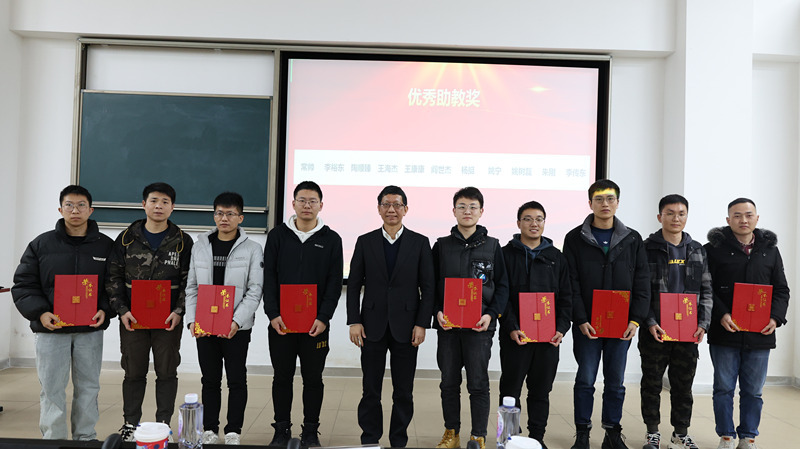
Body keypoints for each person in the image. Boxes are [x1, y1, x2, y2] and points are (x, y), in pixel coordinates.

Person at [11, 185, 114, 440]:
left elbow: (114, 284)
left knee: (89, 387)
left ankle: (86, 438)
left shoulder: (106, 246)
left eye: (81, 205)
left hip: (90, 330)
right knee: (51, 389)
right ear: (60, 209)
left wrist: (105, 309)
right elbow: (24, 284)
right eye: (69, 205)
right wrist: (40, 313)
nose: (75, 210)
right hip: (51, 329)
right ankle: (53, 440)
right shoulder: (41, 244)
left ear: (90, 210)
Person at [562, 179, 650, 449]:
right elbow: (570, 283)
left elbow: (642, 282)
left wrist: (635, 320)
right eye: (599, 199)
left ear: (617, 203)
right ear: (590, 203)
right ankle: (582, 433)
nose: (605, 204)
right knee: (585, 380)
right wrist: (580, 319)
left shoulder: (632, 239)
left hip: (621, 325)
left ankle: (612, 432)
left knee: (616, 382)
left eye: (610, 199)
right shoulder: (575, 238)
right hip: (588, 324)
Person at [346, 185, 435, 448]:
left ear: (406, 209)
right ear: (378, 209)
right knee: (370, 390)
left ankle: (398, 440)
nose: (391, 209)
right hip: (370, 325)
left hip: (407, 327)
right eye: (386, 204)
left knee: (403, 391)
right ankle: (370, 439)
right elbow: (353, 284)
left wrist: (422, 323)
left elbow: (428, 287)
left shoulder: (420, 243)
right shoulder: (365, 241)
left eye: (397, 204)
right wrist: (354, 320)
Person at [106, 182, 194, 441]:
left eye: (165, 202)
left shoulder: (182, 241)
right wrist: (122, 310)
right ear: (144, 204)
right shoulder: (126, 238)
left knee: (167, 372)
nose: (159, 206)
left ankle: (163, 423)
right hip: (133, 319)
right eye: (154, 201)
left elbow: (190, 281)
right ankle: (130, 424)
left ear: (172, 207)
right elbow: (113, 277)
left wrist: (179, 311)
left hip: (168, 320)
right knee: (134, 372)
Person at [704, 198, 790, 449]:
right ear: (728, 219)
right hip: (725, 331)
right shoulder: (713, 250)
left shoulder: (770, 250)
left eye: (749, 215)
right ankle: (726, 436)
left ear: (757, 218)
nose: (743, 220)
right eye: (737, 215)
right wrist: (721, 314)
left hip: (760, 333)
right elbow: (706, 288)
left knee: (753, 391)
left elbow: (781, 290)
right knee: (723, 388)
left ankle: (748, 437)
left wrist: (775, 318)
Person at [263, 181, 343, 447]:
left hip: (315, 326)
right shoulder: (277, 236)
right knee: (281, 378)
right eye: (302, 200)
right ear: (293, 203)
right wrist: (272, 314)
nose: (307, 205)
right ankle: (281, 430)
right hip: (281, 324)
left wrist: (324, 317)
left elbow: (334, 283)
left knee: (313, 379)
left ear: (321, 205)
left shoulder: (332, 239)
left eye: (312, 201)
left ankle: (310, 431)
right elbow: (269, 278)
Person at [184, 192, 264, 445]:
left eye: (230, 214)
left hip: (236, 327)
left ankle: (233, 431)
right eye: (219, 213)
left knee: (236, 379)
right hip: (205, 324)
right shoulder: (200, 245)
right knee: (210, 380)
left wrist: (236, 321)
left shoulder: (252, 249)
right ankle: (210, 429)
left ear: (241, 217)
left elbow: (255, 290)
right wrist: (192, 320)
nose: (224, 218)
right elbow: (192, 287)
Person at [433, 186, 509, 449]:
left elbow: (503, 286)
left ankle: (478, 435)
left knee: (478, 383)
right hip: (448, 327)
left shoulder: (493, 246)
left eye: (473, 207)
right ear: (453, 211)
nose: (467, 211)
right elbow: (431, 284)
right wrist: (437, 311)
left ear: (481, 211)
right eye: (462, 207)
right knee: (448, 383)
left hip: (480, 328)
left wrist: (491, 314)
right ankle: (451, 433)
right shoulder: (441, 246)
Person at [640, 194, 712, 449]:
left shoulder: (697, 250)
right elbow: (641, 291)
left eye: (681, 213)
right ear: (660, 217)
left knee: (683, 385)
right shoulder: (646, 248)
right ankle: (652, 432)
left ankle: (680, 433)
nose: (675, 218)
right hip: (655, 329)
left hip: (687, 330)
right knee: (651, 383)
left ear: (686, 216)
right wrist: (650, 322)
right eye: (669, 213)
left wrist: (703, 323)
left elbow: (706, 289)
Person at [498, 200, 572, 449]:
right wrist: (511, 327)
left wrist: (561, 328)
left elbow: (566, 297)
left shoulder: (556, 257)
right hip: (515, 336)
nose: (534, 223)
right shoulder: (505, 255)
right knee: (510, 390)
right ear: (518, 223)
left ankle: (536, 438)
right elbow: (502, 295)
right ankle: (508, 438)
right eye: (528, 219)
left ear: (544, 223)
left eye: (539, 219)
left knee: (541, 391)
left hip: (548, 338)